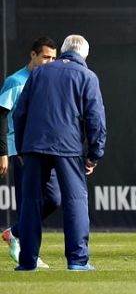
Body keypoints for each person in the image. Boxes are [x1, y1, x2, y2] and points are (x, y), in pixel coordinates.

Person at [13, 35, 107, 271]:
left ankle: (27, 262)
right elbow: (96, 119)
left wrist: (22, 146)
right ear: (84, 55)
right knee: (75, 201)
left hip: (34, 145)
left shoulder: (39, 73)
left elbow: (19, 113)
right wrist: (94, 155)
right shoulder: (87, 76)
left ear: (63, 51)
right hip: (68, 146)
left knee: (30, 203)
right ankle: (77, 260)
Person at [0, 37, 60, 268]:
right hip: (20, 150)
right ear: (33, 55)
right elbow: (2, 117)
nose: (49, 62)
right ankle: (29, 253)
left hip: (45, 149)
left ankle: (14, 232)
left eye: (53, 58)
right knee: (29, 202)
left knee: (54, 198)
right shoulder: (16, 81)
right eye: (45, 57)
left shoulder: (50, 81)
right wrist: (3, 152)